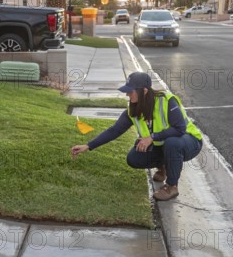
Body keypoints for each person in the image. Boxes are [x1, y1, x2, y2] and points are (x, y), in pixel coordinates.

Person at [71, 72, 203, 201]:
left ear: (144, 91)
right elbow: (115, 130)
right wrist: (88, 146)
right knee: (134, 157)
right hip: (164, 143)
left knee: (172, 143)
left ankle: (171, 187)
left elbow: (180, 129)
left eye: (130, 91)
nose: (127, 94)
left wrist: (151, 137)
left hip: (189, 141)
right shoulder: (134, 108)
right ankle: (163, 167)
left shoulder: (166, 101)